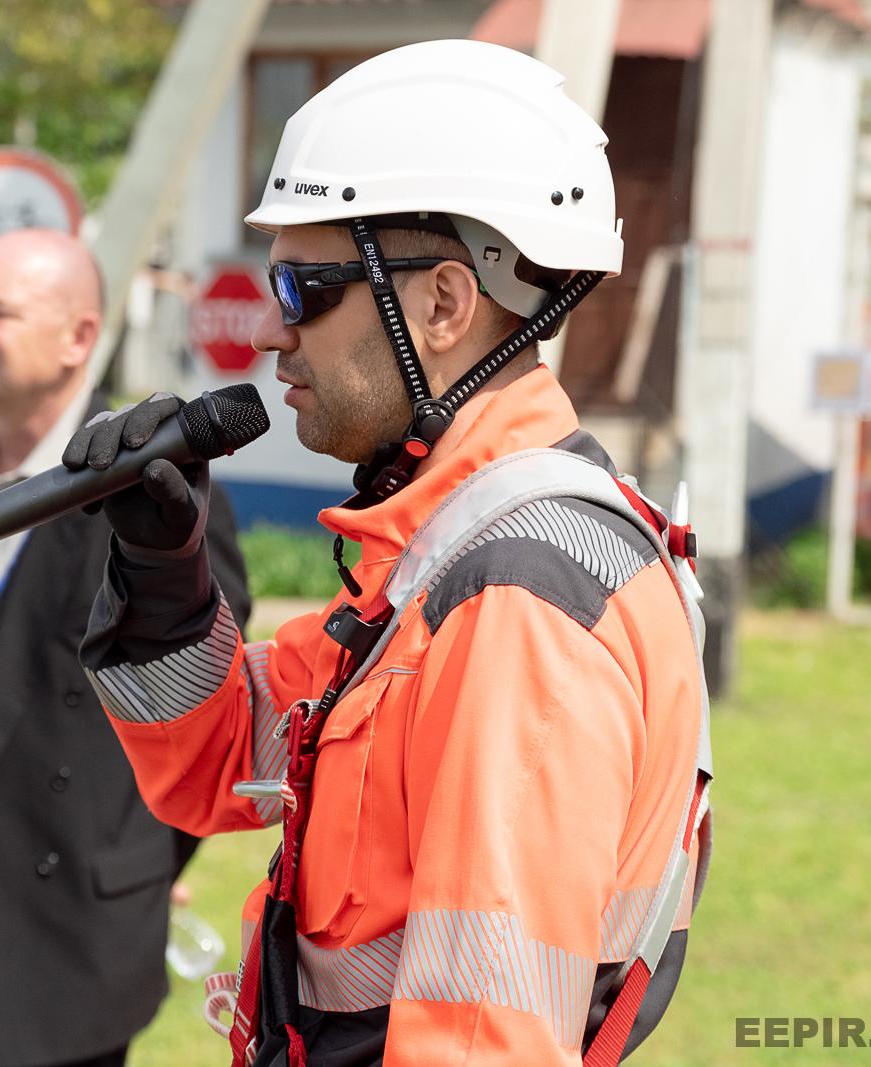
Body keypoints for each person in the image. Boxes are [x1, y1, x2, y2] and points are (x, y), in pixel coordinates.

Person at [65, 41, 712, 1066]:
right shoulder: (439, 554)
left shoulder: (516, 599)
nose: (276, 335)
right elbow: (226, 764)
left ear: (446, 307)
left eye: (302, 288)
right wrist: (163, 570)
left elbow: (480, 1036)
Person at [0, 229, 252, 1067]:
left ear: (79, 337)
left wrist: (137, 862)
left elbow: (201, 704)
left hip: (56, 935)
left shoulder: (150, 486)